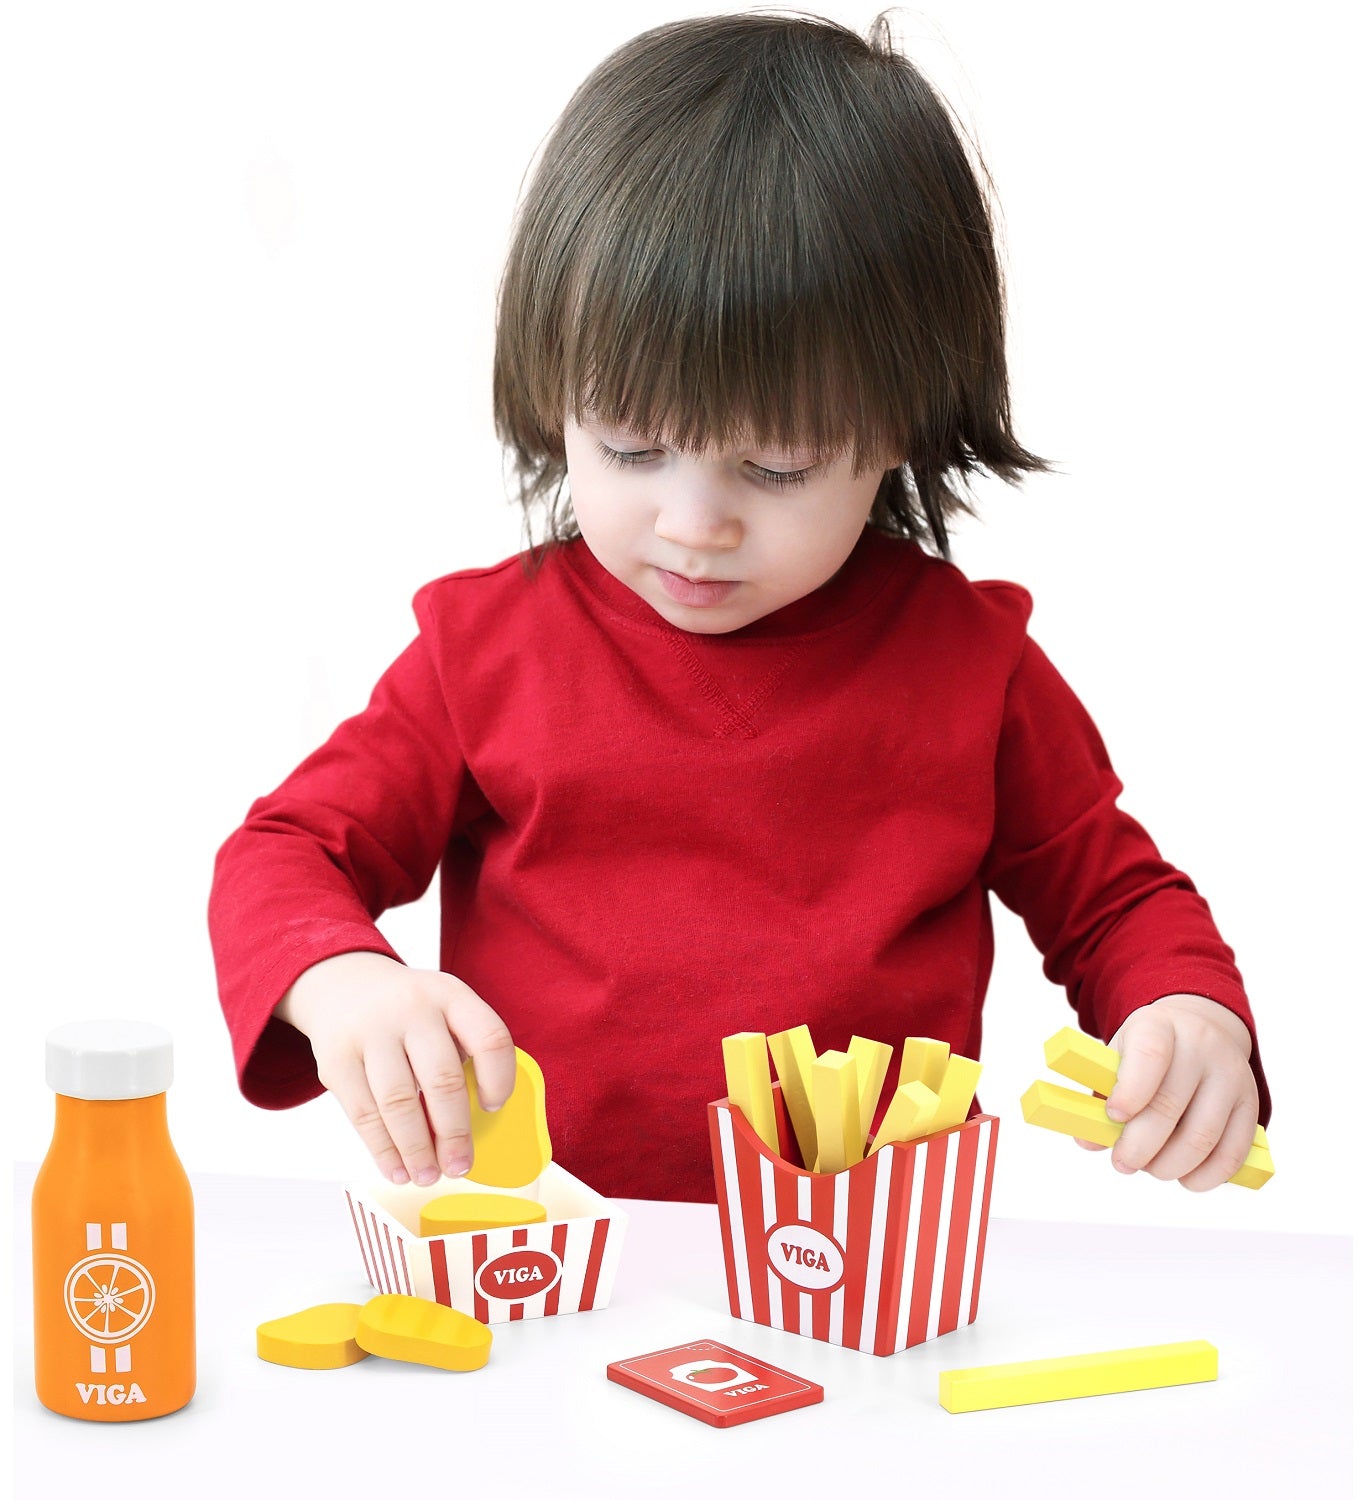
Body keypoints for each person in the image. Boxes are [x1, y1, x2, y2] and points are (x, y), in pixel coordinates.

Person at [209, 10, 1270, 1204]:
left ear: (900, 430)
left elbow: (1115, 897)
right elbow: (284, 856)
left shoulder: (972, 670)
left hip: (870, 1271)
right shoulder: (483, 656)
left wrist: (1184, 1010)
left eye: (775, 470)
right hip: (549, 1258)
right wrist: (342, 977)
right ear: (552, 391)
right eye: (629, 446)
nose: (691, 522)